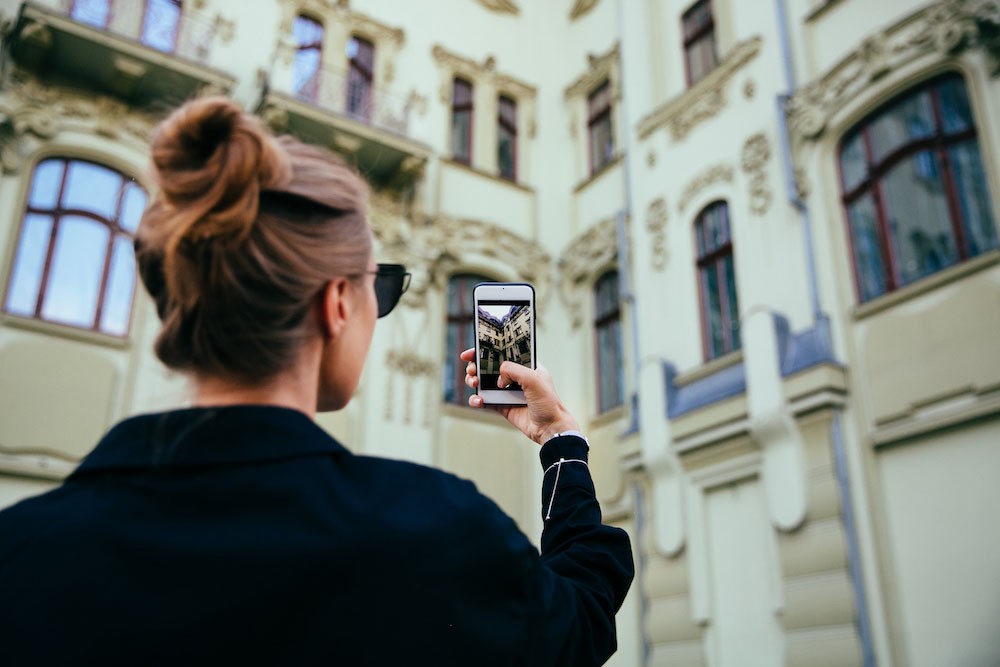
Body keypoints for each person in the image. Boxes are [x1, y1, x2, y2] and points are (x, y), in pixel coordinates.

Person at [0, 97, 633, 666]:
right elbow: (577, 619)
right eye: (376, 288)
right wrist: (560, 442)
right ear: (335, 303)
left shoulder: (23, 552)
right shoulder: (434, 532)